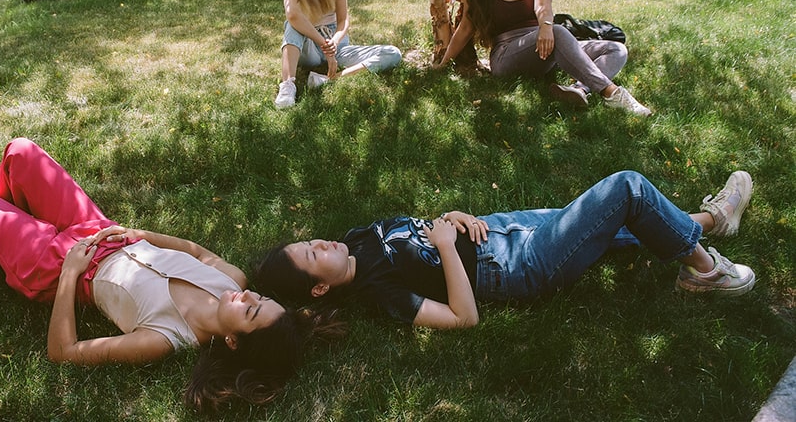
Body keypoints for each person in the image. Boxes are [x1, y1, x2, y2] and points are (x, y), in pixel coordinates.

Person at [0, 138, 338, 411]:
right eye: (258, 298)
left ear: (232, 341)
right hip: (102, 231)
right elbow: (198, 251)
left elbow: (64, 351)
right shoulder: (233, 281)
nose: (246, 298)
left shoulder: (165, 338)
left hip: (57, 268)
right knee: (21, 152)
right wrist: (140, 233)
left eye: (249, 312)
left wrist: (69, 273)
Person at [254, 170, 755, 329]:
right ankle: (704, 268)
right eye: (313, 255)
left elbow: (427, 227)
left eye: (308, 241)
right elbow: (463, 318)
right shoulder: (379, 294)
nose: (320, 242)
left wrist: (452, 217)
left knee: (616, 222)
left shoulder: (357, 237)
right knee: (624, 190)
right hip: (517, 266)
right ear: (320, 287)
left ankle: (711, 220)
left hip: (503, 228)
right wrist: (449, 248)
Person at [433, 0, 652, 116]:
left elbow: (543, 5)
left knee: (616, 48)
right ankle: (612, 93)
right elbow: (465, 29)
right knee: (557, 31)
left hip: (544, 43)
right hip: (507, 55)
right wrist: (443, 64)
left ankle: (578, 90)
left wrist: (545, 28)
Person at [274, 0, 403, 109]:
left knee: (393, 53)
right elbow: (293, 15)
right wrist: (323, 44)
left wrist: (334, 42)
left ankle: (327, 81)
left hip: (337, 46)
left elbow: (343, 20)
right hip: (310, 46)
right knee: (292, 25)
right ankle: (287, 86)